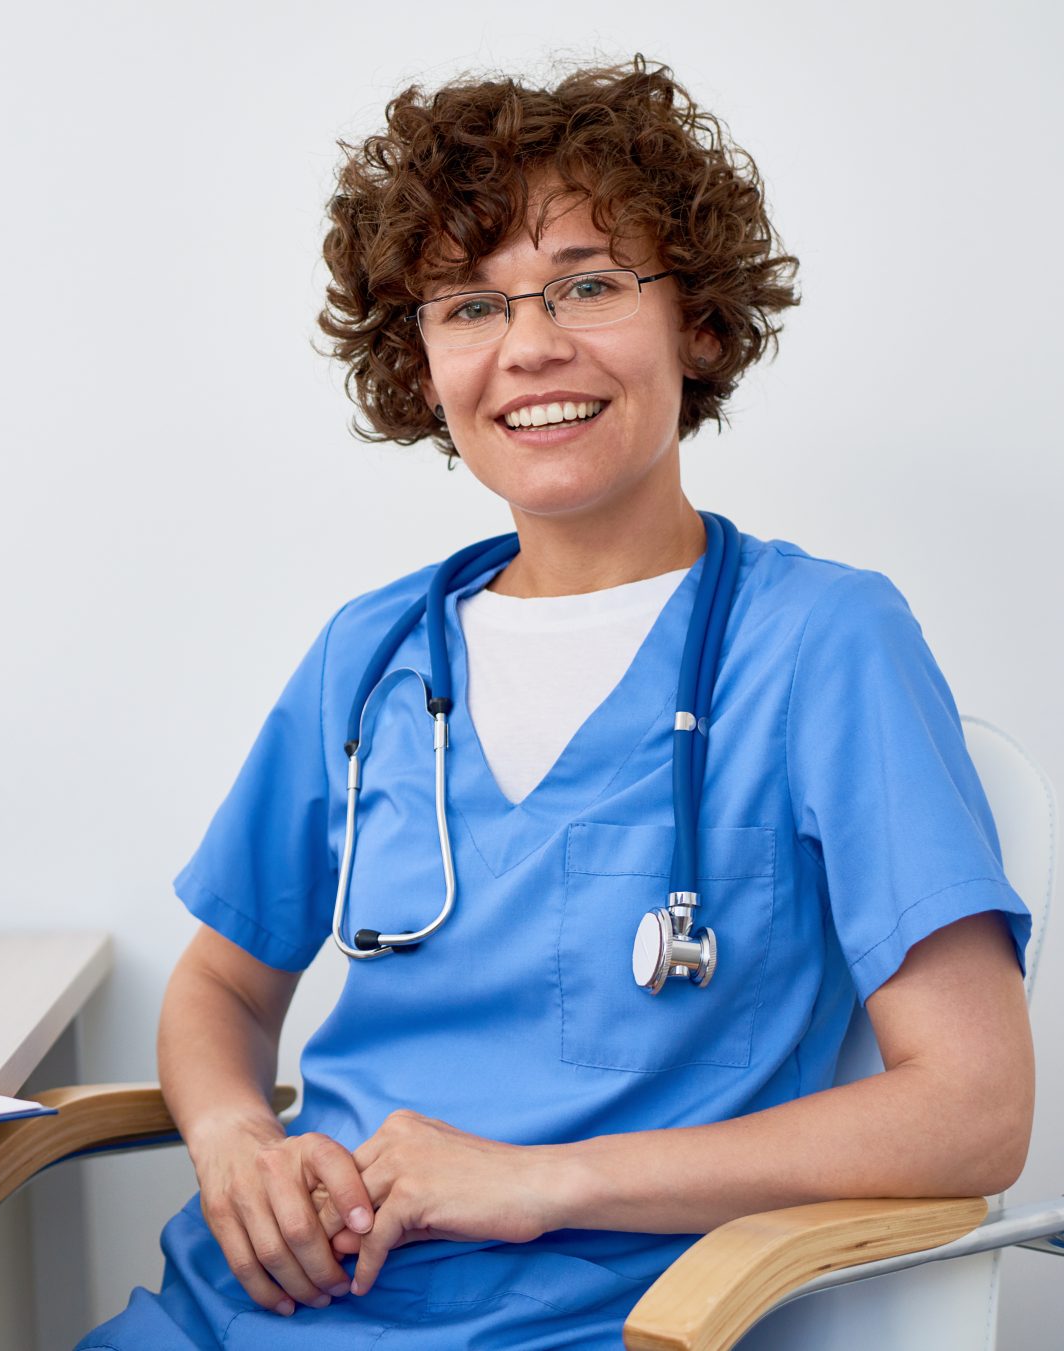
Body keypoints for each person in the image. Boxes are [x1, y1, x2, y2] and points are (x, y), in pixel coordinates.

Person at [77, 56, 1035, 1350]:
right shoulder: (369, 658)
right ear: (417, 364)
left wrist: (541, 1183)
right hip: (244, 1314)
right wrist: (238, 1136)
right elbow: (224, 989)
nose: (530, 346)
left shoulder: (824, 645)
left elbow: (974, 1105)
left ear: (696, 320)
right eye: (469, 305)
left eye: (587, 282)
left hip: (582, 1326)